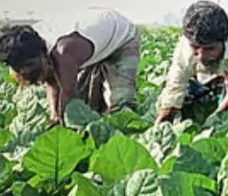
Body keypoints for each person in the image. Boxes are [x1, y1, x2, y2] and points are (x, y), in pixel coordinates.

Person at [0, 7, 141, 126]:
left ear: (42, 55)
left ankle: (130, 136)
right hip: (92, 42)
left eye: (31, 66)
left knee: (119, 105)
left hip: (122, 38)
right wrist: (54, 116)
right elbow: (50, 81)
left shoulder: (64, 52)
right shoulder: (28, 44)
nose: (28, 72)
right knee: (90, 104)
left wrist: (63, 123)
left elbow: (68, 96)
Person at [156, 0, 228, 123]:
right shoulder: (184, 52)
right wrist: (160, 127)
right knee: (182, 102)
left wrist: (218, 114)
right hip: (198, 76)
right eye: (195, 47)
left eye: (209, 48)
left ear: (224, 40)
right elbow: (173, 94)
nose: (201, 56)